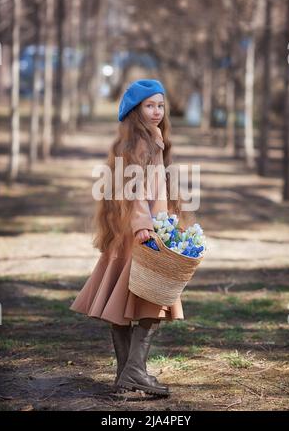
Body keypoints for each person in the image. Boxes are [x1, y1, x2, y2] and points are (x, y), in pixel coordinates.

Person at [70, 79, 187, 397]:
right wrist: (143, 226)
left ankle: (125, 377)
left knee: (123, 303)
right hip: (138, 232)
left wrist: (168, 222)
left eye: (161, 105)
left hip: (141, 229)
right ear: (135, 111)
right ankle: (134, 371)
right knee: (153, 299)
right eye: (150, 105)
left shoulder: (154, 140)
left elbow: (156, 190)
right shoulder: (139, 144)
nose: (157, 111)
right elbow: (134, 192)